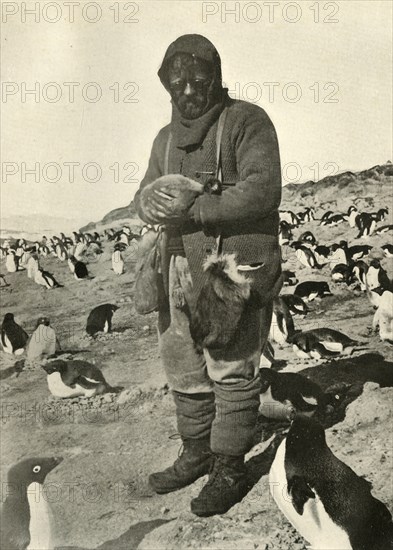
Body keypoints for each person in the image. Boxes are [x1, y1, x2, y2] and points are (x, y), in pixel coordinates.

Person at [133, 34, 282, 517]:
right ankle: (196, 452)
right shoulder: (166, 138)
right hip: (175, 265)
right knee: (184, 367)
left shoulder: (246, 122)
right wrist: (144, 204)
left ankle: (230, 465)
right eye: (178, 82)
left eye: (200, 79)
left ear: (216, 77)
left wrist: (196, 206)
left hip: (229, 266)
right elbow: (146, 191)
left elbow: (262, 191)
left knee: (233, 368)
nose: (190, 90)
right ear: (166, 84)